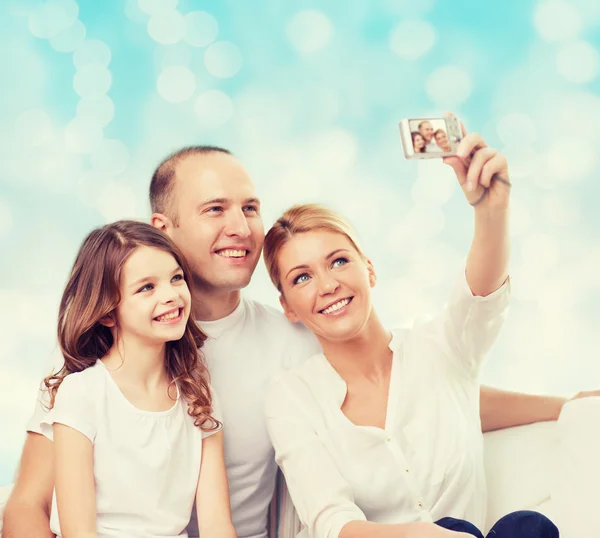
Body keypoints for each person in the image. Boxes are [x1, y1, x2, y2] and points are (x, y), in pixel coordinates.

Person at [3, 144, 593, 538]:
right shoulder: (106, 367)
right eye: (214, 209)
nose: (240, 227)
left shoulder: (294, 336)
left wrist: (565, 406)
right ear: (165, 229)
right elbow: (27, 506)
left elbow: (421, 391)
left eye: (250, 207)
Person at [262, 132, 558, 537]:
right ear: (288, 308)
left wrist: (492, 210)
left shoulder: (440, 349)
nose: (327, 285)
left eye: (338, 261)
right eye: (302, 278)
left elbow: (480, 298)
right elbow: (332, 521)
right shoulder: (291, 397)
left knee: (527, 528)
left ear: (369, 269)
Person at [37, 220, 236, 538]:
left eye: (176, 278)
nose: (171, 295)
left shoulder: (198, 394)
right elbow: (79, 532)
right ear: (107, 313)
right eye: (147, 287)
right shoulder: (82, 393)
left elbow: (217, 525)